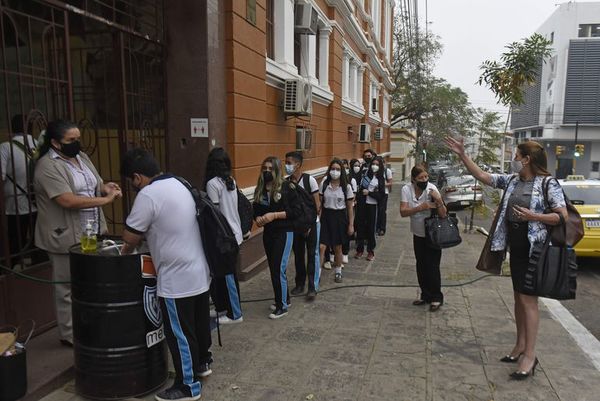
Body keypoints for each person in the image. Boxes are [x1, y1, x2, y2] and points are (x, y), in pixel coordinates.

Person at [445, 136, 567, 380]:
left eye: (516, 156)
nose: (513, 160)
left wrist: (535, 217)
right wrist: (462, 155)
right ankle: (520, 345)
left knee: (528, 301)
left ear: (527, 159)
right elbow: (484, 177)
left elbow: (561, 215)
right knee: (518, 298)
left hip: (534, 249)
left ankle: (530, 355)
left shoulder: (547, 183)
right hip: (516, 247)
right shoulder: (512, 180)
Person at [120, 148, 212, 401]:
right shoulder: (179, 183)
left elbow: (130, 237)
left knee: (179, 333)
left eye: (131, 182)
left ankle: (188, 386)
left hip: (176, 278)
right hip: (199, 270)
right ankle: (201, 365)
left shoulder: (148, 195)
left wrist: (123, 251)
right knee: (196, 326)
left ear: (137, 177)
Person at [33, 119, 122, 346]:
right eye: (70, 140)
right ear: (55, 142)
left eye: (77, 139)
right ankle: (70, 335)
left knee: (93, 281)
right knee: (65, 287)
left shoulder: (82, 158)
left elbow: (97, 184)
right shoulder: (47, 166)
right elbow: (67, 200)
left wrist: (108, 188)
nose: (76, 144)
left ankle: (92, 325)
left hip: (92, 231)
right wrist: (105, 200)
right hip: (65, 235)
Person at [253, 156, 302, 318]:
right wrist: (258, 219)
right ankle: (283, 299)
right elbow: (257, 211)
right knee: (274, 268)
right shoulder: (260, 189)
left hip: (284, 232)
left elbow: (296, 212)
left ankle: (282, 307)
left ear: (276, 170)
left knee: (278, 269)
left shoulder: (287, 188)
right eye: (264, 169)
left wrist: (274, 215)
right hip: (269, 234)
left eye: (270, 169)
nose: (267, 172)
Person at [399, 165, 447, 312]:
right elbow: (403, 212)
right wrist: (421, 207)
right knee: (421, 265)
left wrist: (438, 200)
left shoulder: (432, 189)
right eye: (421, 178)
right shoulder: (406, 190)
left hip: (432, 235)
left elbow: (443, 214)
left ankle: (436, 297)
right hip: (418, 233)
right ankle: (425, 295)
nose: (424, 180)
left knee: (433, 266)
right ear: (414, 179)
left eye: (426, 177)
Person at [204, 147, 243, 324]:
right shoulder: (231, 180)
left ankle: (235, 314)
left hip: (224, 237)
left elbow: (215, 213)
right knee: (223, 275)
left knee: (228, 275)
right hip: (235, 234)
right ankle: (222, 308)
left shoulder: (212, 183)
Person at [0, 115, 37, 267]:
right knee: (38, 241)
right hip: (38, 202)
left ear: (11, 128)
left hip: (15, 204)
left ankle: (12, 271)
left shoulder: (6, 147)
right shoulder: (38, 145)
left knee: (15, 242)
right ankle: (38, 267)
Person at [285, 151, 320, 299]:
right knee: (298, 256)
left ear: (298, 164)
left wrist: (309, 225)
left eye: (288, 162)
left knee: (311, 255)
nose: (286, 165)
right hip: (295, 226)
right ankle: (300, 284)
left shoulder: (309, 180)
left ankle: (312, 286)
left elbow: (316, 205)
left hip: (311, 225)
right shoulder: (286, 183)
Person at [319, 159, 354, 283]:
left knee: (337, 247)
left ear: (342, 171)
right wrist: (318, 220)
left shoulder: (346, 187)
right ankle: (317, 273)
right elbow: (320, 204)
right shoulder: (324, 184)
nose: (335, 171)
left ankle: (338, 270)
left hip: (339, 217)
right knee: (322, 246)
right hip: (326, 217)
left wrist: (351, 225)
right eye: (333, 169)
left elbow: (350, 208)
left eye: (338, 169)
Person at [354, 156, 386, 261]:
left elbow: (381, 195)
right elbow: (360, 188)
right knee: (360, 226)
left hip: (373, 206)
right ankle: (359, 250)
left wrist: (370, 193)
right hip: (363, 205)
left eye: (377, 164)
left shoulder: (381, 179)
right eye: (373, 164)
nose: (374, 166)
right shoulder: (365, 175)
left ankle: (370, 251)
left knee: (371, 228)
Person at [377, 160, 393, 236]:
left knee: (382, 211)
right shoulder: (375, 170)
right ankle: (376, 227)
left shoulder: (387, 171)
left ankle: (382, 228)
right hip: (376, 193)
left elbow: (390, 183)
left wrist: (382, 184)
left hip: (384, 193)